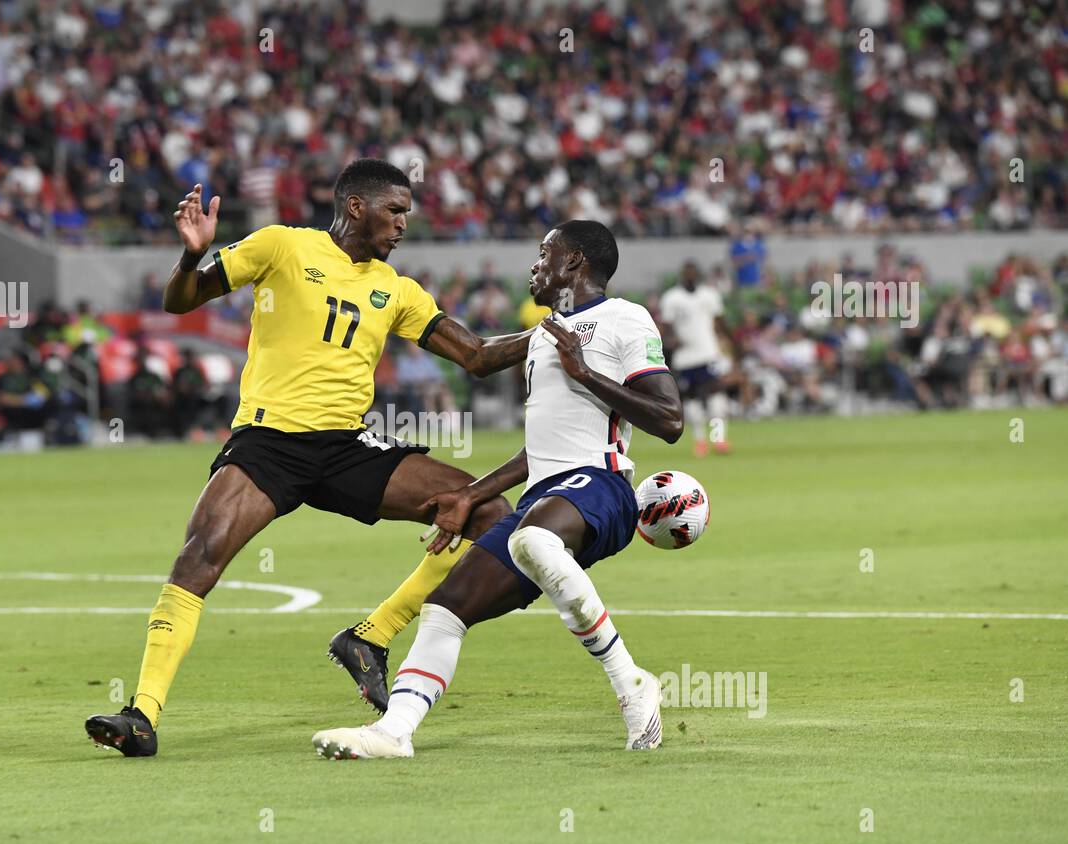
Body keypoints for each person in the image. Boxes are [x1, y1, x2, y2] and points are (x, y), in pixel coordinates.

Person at [85, 159, 534, 756]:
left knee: (486, 510)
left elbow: (476, 355)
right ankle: (142, 715)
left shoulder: (396, 289)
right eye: (395, 211)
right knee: (199, 558)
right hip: (268, 442)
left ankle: (370, 637)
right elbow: (181, 300)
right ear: (355, 206)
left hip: (346, 446)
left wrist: (555, 333)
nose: (404, 224)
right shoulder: (281, 246)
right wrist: (192, 255)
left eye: (407, 213)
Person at [312, 220, 684, 759]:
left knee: (533, 542)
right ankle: (394, 731)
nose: (534, 265)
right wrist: (472, 494)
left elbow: (670, 419)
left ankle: (631, 683)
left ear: (575, 261)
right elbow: (543, 446)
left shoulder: (625, 318)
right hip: (544, 497)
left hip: (602, 487)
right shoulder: (541, 337)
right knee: (446, 606)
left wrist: (585, 374)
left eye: (544, 253)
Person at [658, 261, 733, 456]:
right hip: (685, 358)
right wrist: (670, 341)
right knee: (691, 399)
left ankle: (719, 439)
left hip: (709, 354)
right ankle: (700, 441)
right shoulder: (671, 298)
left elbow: (720, 322)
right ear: (683, 275)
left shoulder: (709, 295)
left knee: (716, 394)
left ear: (698, 274)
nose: (690, 275)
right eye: (687, 272)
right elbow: (665, 327)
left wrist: (731, 344)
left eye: (693, 272)